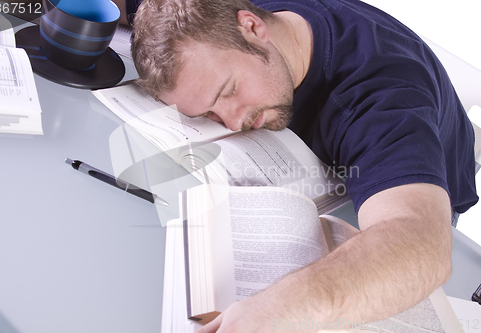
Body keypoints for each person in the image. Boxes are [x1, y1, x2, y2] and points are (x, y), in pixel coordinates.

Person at [120, 0, 478, 331]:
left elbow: (419, 244)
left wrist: (280, 308)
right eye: (209, 114)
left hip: (422, 183)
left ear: (253, 28)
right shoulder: (216, 19)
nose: (232, 123)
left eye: (228, 91)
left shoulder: (380, 98)